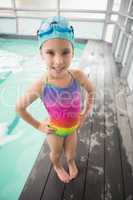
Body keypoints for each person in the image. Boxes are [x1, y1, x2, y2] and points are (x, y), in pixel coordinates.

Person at [16, 16, 95, 183]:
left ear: (73, 51)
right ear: (41, 54)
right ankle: (58, 166)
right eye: (50, 53)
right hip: (55, 130)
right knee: (56, 154)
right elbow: (19, 108)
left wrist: (86, 112)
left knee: (71, 154)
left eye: (65, 52)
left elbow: (91, 91)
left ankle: (71, 162)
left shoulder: (77, 76)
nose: (58, 61)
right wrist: (38, 125)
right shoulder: (41, 85)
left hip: (73, 127)